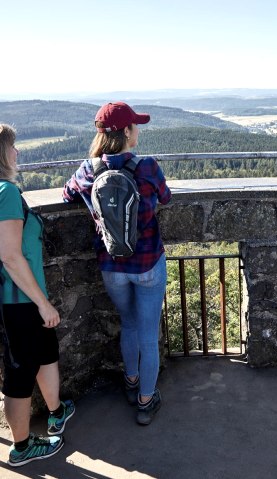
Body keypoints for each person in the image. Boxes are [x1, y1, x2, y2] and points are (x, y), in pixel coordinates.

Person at [63, 102, 172, 425]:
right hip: (149, 264)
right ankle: (145, 401)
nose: (137, 130)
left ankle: (131, 382)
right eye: (135, 126)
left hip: (112, 267)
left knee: (129, 324)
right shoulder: (147, 167)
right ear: (126, 132)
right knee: (148, 335)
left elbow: (67, 193)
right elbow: (165, 197)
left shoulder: (89, 169)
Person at [0, 124, 75, 467]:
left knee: (46, 354)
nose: (17, 152)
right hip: (19, 302)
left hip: (25, 298)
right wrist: (43, 304)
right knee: (19, 374)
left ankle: (57, 411)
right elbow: (11, 256)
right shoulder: (6, 193)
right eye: (13, 147)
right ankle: (22, 447)